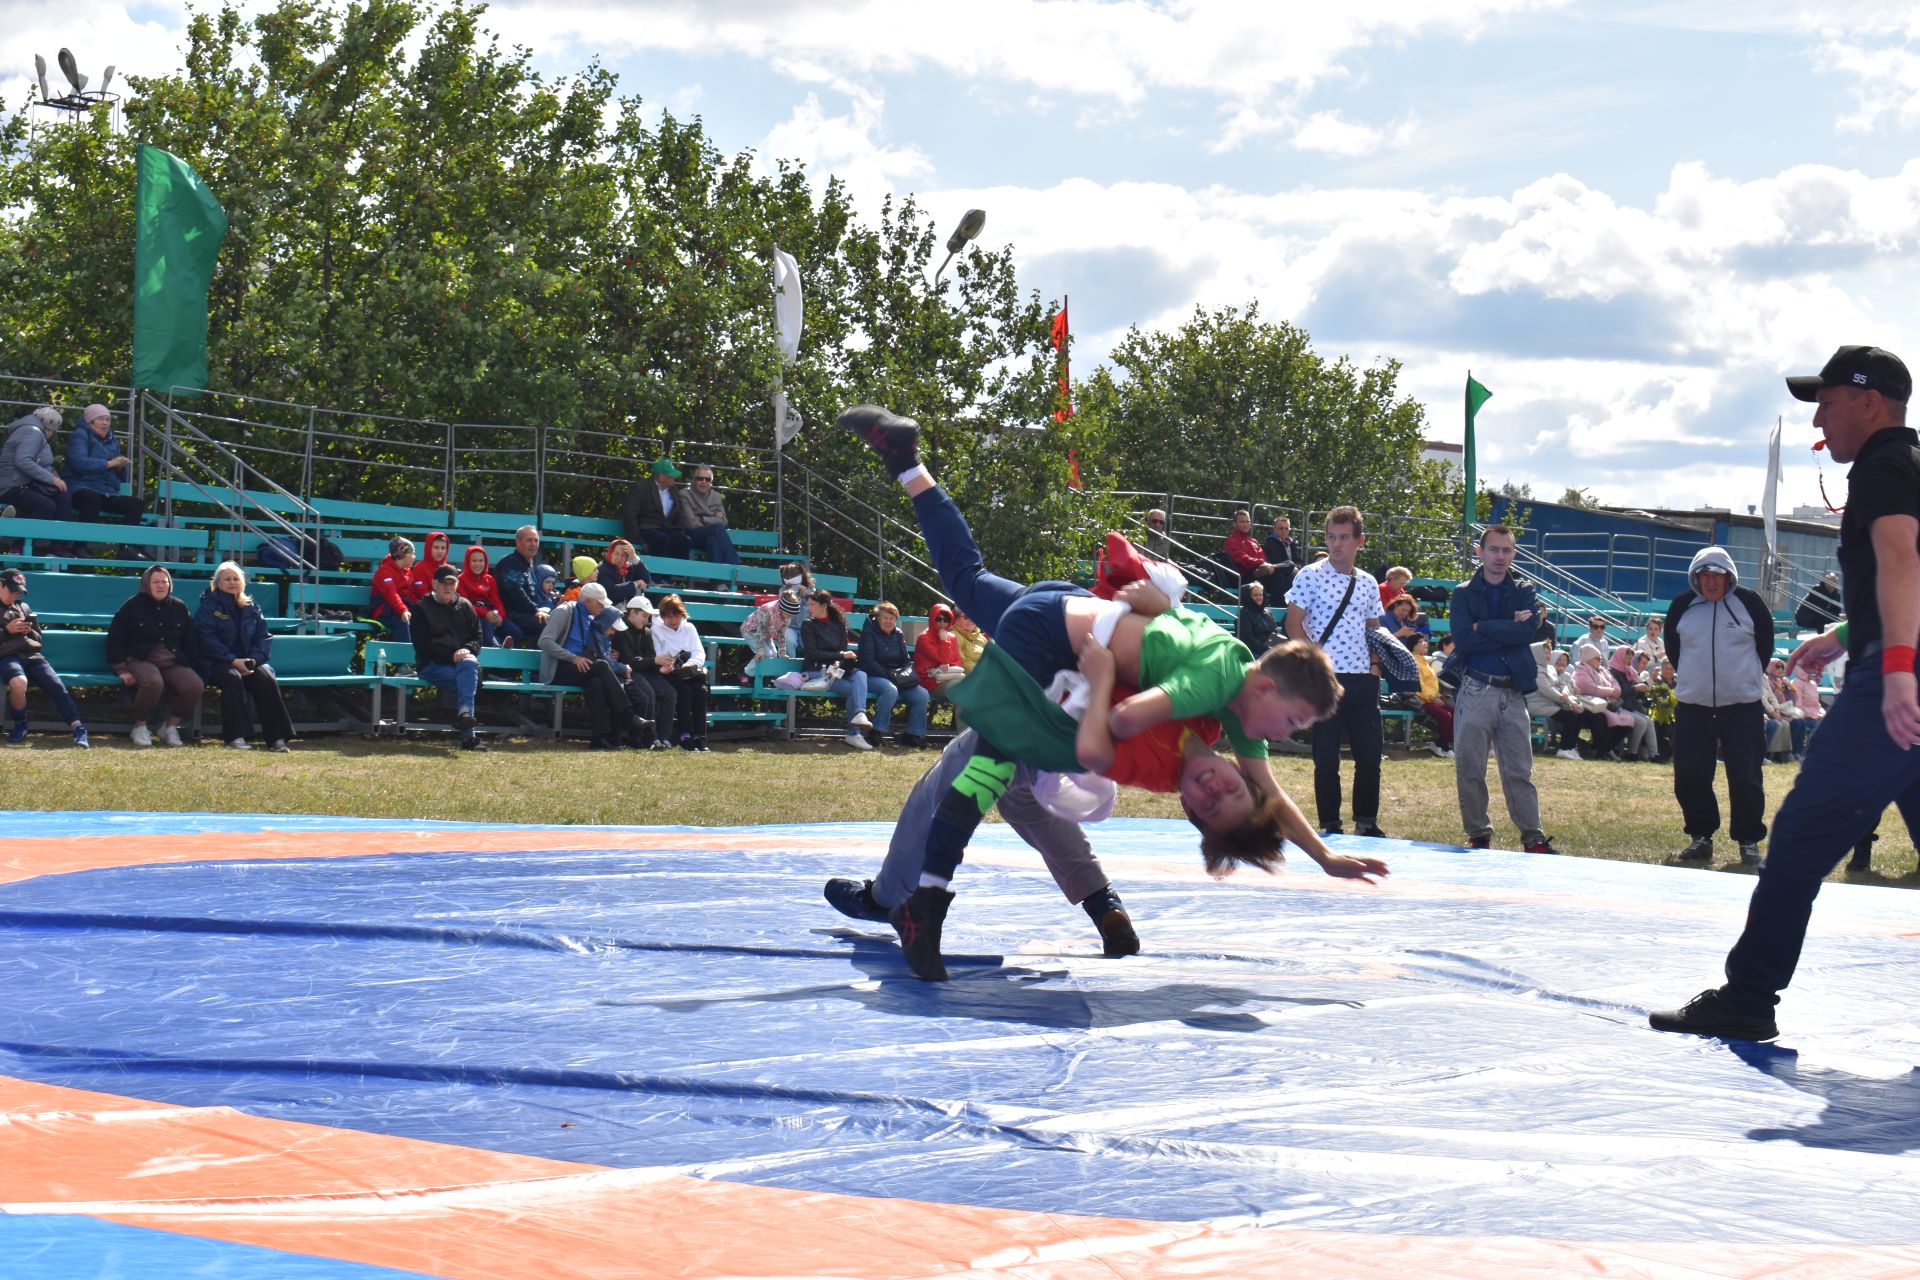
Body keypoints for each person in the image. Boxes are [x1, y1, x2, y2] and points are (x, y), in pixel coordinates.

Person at [840, 403, 1383, 978]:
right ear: (1269, 690)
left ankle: (907, 463)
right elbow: (1122, 726)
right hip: (1055, 642)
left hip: (1065, 611)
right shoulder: (1210, 688)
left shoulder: (1225, 698)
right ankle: (923, 904)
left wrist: (1322, 856)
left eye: (1206, 805)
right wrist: (1103, 677)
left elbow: (1267, 790)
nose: (1284, 736)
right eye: (1292, 722)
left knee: (966, 582)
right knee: (985, 762)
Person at [1653, 343, 1920, 1041]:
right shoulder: (1914, 465)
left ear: (1869, 402)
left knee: (1800, 835)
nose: (1819, 420)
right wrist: (1850, 630)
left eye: (1828, 402)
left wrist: (1893, 667)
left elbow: (1900, 559)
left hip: (1896, 684)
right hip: (1899, 663)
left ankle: (1747, 999)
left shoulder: (1883, 467)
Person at [1442, 524, 1557, 853]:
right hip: (1477, 687)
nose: (1500, 556)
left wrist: (1485, 626)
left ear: (1514, 554)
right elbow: (1463, 640)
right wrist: (1510, 625)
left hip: (1512, 691)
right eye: (1493, 549)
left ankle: (1533, 838)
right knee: (1471, 767)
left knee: (1520, 770)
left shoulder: (1524, 589)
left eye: (1507, 550)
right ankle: (1479, 834)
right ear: (1480, 552)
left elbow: (1526, 634)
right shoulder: (1463, 592)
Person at [1664, 545, 1774, 866]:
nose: (1711, 582)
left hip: (1742, 707)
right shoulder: (1682, 606)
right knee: (1690, 775)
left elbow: (1764, 647)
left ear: (1730, 577)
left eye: (1717, 575)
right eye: (1704, 575)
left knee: (1746, 776)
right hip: (1693, 706)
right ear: (1695, 578)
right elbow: (1675, 650)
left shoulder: (1750, 604)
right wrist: (1696, 680)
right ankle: (1701, 837)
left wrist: (1743, 680)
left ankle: (1749, 840)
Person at [1283, 505, 1385, 837]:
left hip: (1362, 680)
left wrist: (1374, 666)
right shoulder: (1309, 575)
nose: (1337, 543)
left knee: (1369, 756)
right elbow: (1293, 623)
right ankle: (1330, 824)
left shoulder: (1369, 582)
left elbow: (1374, 628)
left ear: (1360, 541)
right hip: (1325, 679)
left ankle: (1367, 822)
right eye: (1331, 536)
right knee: (1326, 758)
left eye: (1344, 537)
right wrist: (1312, 664)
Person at [193, 560, 294, 751]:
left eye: (235, 578)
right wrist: (232, 660)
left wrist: (254, 660)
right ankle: (235, 737)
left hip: (248, 661)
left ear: (242, 582)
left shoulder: (252, 607)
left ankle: (277, 739)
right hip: (216, 662)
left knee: (266, 678)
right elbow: (205, 638)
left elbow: (263, 638)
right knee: (232, 677)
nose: (232, 582)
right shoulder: (208, 606)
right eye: (227, 579)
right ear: (218, 583)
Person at [106, 564, 202, 747]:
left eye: (164, 582)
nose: (161, 586)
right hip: (140, 659)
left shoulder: (179, 606)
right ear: (146, 584)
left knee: (194, 685)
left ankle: (170, 727)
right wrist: (120, 669)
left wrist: (191, 664)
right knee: (153, 682)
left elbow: (190, 639)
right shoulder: (132, 605)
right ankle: (140, 726)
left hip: (172, 660)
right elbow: (115, 638)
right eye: (156, 582)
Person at [0, 566, 89, 747]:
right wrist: (6, 631)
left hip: (32, 656)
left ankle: (78, 728)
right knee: (19, 682)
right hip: (8, 656)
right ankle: (20, 724)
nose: (15, 596)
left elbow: (38, 639)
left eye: (19, 593)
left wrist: (28, 629)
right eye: (12, 591)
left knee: (56, 685)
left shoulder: (24, 607)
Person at [538, 581, 630, 750]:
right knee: (601, 666)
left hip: (579, 669)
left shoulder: (589, 617)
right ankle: (628, 715)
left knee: (598, 684)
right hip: (560, 668)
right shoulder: (564, 611)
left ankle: (599, 739)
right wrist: (573, 658)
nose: (603, 607)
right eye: (600, 603)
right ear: (588, 601)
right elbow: (544, 641)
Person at [412, 565, 486, 750]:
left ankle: (464, 715)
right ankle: (469, 737)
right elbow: (422, 646)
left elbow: (477, 638)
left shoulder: (465, 606)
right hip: (432, 666)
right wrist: (451, 656)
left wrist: (467, 650)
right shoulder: (421, 608)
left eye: (452, 583)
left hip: (462, 666)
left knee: (468, 665)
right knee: (469, 679)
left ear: (457, 585)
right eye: (444, 583)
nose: (448, 587)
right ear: (434, 584)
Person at [799, 589, 876, 750]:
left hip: (835, 671)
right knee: (852, 689)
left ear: (824, 605)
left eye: (812, 604)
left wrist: (838, 662)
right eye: (808, 604)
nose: (809, 608)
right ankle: (854, 733)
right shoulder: (808, 625)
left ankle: (860, 715)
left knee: (860, 674)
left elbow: (841, 655)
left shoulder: (839, 625)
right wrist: (840, 655)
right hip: (816, 672)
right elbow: (813, 654)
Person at [858, 600, 931, 747]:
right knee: (890, 690)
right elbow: (868, 661)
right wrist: (889, 675)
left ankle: (912, 735)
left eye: (892, 618)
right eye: (885, 617)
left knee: (922, 694)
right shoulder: (868, 633)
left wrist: (906, 673)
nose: (888, 621)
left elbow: (906, 660)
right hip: (872, 675)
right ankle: (876, 732)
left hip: (896, 677)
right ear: (878, 618)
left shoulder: (898, 634)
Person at [608, 594, 675, 750]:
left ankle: (663, 737)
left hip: (645, 671)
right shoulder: (621, 630)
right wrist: (654, 661)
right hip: (629, 672)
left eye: (648, 617)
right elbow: (629, 660)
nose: (646, 620)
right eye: (644, 615)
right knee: (648, 694)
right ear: (632, 613)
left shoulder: (646, 632)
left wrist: (660, 667)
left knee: (670, 693)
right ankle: (646, 737)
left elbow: (649, 655)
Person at [63, 403, 145, 527]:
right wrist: (108, 464)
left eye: (107, 419)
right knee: (92, 499)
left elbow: (121, 476)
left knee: (136, 504)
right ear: (90, 422)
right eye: (100, 419)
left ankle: (127, 546)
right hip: (80, 488)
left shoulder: (113, 440)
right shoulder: (80, 435)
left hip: (107, 493)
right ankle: (80, 545)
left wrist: (120, 468)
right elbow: (79, 463)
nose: (105, 423)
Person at [650, 594, 710, 751]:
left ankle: (700, 736)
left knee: (701, 691)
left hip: (689, 670)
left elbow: (699, 652)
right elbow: (659, 653)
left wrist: (689, 665)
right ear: (662, 616)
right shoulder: (656, 629)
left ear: (681, 614)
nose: (672, 621)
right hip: (669, 672)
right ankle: (685, 734)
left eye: (675, 616)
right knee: (684, 692)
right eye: (668, 617)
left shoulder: (689, 628)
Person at [0, 407, 71, 522]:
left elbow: (39, 461)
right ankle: (25, 540)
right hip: (10, 487)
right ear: (50, 429)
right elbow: (23, 461)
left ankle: (59, 538)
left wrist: (51, 473)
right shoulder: (33, 432)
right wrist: (52, 479)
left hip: (22, 484)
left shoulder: (32, 431)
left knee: (62, 497)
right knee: (46, 506)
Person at [623, 457, 695, 560]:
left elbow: (679, 514)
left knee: (684, 541)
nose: (674, 478)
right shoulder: (641, 488)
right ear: (661, 477)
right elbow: (630, 514)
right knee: (661, 539)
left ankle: (674, 573)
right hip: (647, 529)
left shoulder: (673, 489)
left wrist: (680, 531)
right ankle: (656, 575)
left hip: (667, 529)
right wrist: (637, 539)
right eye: (671, 475)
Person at [494, 526, 550, 642]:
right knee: (544, 625)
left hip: (526, 613)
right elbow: (516, 592)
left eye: (536, 540)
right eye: (529, 540)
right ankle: (537, 660)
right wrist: (536, 611)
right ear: (518, 542)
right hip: (509, 614)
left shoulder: (529, 564)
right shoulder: (509, 563)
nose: (534, 544)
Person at [456, 544, 517, 647]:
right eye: (474, 561)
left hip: (492, 614)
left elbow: (497, 601)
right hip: (474, 615)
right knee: (485, 625)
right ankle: (496, 648)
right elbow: (465, 604)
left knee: (515, 632)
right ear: (468, 562)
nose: (478, 564)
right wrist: (485, 613)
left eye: (481, 561)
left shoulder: (490, 580)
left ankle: (506, 648)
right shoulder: (461, 579)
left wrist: (500, 617)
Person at [681, 464, 741, 565]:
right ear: (694, 480)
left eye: (707, 479)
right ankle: (734, 563)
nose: (704, 482)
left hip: (711, 535)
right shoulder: (685, 494)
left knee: (712, 541)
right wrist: (712, 516)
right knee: (716, 528)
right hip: (691, 535)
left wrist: (702, 518)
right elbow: (690, 523)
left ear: (711, 483)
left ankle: (718, 580)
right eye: (700, 479)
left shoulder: (716, 496)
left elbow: (724, 521)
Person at [1609, 645, 1659, 761]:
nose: (1629, 661)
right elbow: (1620, 693)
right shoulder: (1612, 672)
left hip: (1630, 706)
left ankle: (1654, 754)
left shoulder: (1628, 671)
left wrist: (1643, 689)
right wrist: (1636, 688)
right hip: (1619, 707)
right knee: (1642, 722)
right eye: (1627, 657)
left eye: (1631, 658)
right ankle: (1632, 752)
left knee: (1649, 721)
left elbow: (1633, 693)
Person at [1409, 634, 1453, 758]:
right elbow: (1418, 684)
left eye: (1425, 641)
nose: (1425, 643)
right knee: (1445, 715)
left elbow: (1432, 683)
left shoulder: (1425, 661)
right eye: (1421, 642)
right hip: (1420, 699)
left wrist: (1438, 696)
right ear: (1414, 645)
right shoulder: (1413, 660)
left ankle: (1441, 744)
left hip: (1432, 698)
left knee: (1453, 712)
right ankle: (1443, 746)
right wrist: (1432, 698)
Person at [914, 601, 966, 700]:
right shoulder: (924, 638)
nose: (942, 623)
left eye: (946, 620)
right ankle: (963, 716)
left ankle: (963, 716)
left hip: (950, 677)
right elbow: (942, 658)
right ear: (932, 619)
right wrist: (943, 640)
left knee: (967, 688)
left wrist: (947, 665)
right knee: (962, 689)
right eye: (938, 619)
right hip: (931, 682)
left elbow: (959, 662)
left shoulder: (952, 637)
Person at [740, 587, 801, 668]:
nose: (789, 617)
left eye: (791, 615)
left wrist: (782, 653)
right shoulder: (767, 610)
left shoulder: (787, 617)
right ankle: (748, 671)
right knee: (766, 654)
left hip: (766, 634)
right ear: (782, 609)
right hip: (751, 631)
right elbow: (761, 630)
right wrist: (761, 649)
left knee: (774, 656)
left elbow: (781, 634)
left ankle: (765, 674)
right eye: (789, 614)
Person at [369, 536, 415, 642]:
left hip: (401, 607)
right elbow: (391, 594)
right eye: (412, 553)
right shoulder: (384, 572)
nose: (414, 557)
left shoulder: (408, 572)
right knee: (403, 621)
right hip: (384, 609)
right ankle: (403, 656)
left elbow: (410, 594)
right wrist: (403, 610)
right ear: (403, 555)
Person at [594, 538, 652, 606]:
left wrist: (634, 556)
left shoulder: (628, 568)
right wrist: (635, 584)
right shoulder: (602, 568)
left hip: (626, 610)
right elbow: (611, 592)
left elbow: (646, 580)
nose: (619, 558)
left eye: (623, 555)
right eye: (616, 554)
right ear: (610, 553)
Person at [1220, 509, 1270, 585]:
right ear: (1234, 524)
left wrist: (1262, 564)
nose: (1245, 524)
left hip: (1261, 573)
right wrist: (1261, 563)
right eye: (1242, 522)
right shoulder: (1231, 540)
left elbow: (1262, 557)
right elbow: (1242, 559)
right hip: (1244, 577)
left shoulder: (1254, 541)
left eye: (1247, 522)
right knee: (1285, 569)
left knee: (1285, 574)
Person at [407, 532, 453, 603]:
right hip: (425, 606)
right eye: (436, 547)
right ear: (428, 548)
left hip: (446, 604)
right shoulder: (420, 568)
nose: (440, 551)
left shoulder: (449, 569)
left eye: (443, 548)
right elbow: (422, 594)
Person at [1263, 515, 1304, 594]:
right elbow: (1276, 561)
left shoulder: (1291, 543)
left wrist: (1297, 567)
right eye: (1281, 528)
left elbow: (1298, 560)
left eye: (1286, 528)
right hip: (1278, 574)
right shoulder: (1271, 542)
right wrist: (1292, 568)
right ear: (1275, 529)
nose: (1284, 531)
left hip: (1292, 573)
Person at [1237, 580, 1276, 654]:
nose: (1259, 597)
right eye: (1255, 595)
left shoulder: (1267, 612)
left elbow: (1274, 631)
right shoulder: (1244, 613)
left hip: (1269, 650)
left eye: (1260, 595)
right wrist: (1265, 648)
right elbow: (1247, 638)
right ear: (1248, 597)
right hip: (1253, 651)